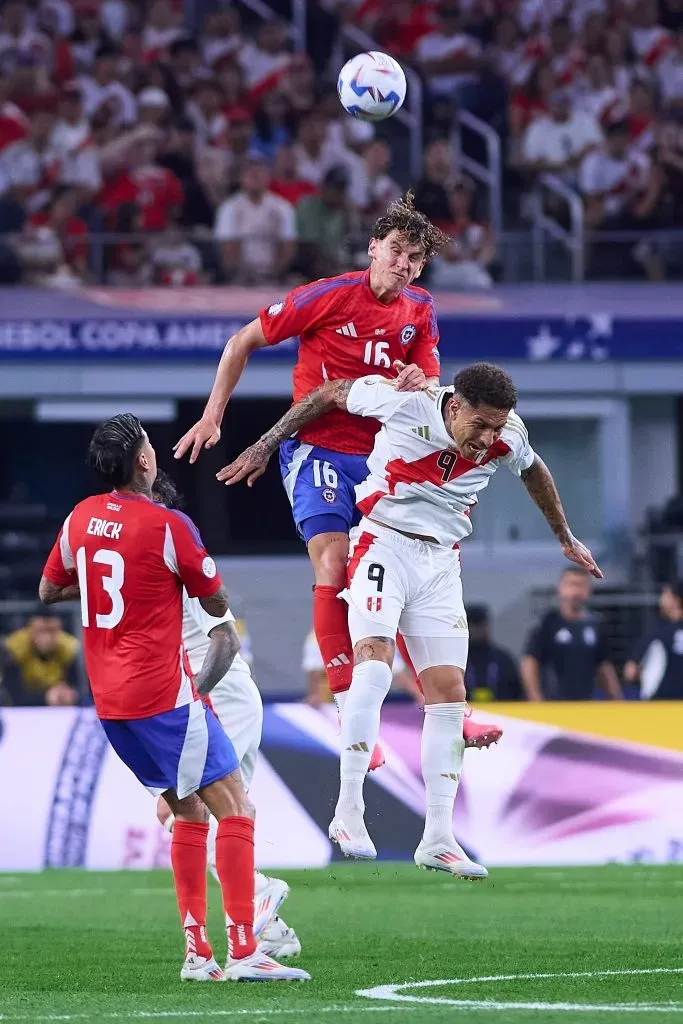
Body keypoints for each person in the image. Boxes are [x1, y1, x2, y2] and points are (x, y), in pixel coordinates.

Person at [220, 362, 602, 877]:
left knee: (449, 695)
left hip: (442, 563)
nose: (488, 438)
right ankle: (348, 810)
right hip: (382, 544)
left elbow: (533, 468)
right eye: (480, 425)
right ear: (455, 405)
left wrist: (563, 534)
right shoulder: (405, 402)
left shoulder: (508, 433)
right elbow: (330, 392)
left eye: (497, 427)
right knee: (374, 666)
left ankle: (438, 838)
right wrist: (266, 445)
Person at [174, 193, 501, 755]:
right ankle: (353, 711)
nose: (403, 264)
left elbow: (429, 379)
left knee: (406, 577)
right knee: (334, 563)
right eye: (395, 250)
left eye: (414, 257)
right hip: (317, 449)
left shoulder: (420, 309)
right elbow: (241, 341)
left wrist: (418, 379)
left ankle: (449, 705)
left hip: (382, 463)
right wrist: (212, 415)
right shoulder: (327, 297)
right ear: (374, 249)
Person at [38, 413, 308, 983]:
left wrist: (116, 582)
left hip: (110, 706)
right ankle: (244, 951)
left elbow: (48, 589)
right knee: (237, 808)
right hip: (163, 696)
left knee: (187, 813)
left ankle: (197, 954)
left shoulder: (79, 518)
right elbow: (218, 612)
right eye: (151, 446)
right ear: (143, 460)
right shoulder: (169, 526)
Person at [152, 471, 301, 960]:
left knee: (193, 810)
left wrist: (193, 696)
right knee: (197, 812)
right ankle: (268, 927)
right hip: (191, 695)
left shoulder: (171, 542)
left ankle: (257, 895)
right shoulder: (147, 550)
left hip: (216, 692)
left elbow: (224, 637)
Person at [521, 568, 623, 702]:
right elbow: (529, 663)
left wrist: (616, 698)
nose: (576, 591)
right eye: (571, 584)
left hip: (583, 705)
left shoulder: (595, 626)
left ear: (588, 590)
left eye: (581, 585)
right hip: (553, 704)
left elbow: (603, 667)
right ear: (561, 588)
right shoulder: (549, 624)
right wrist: (536, 699)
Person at [0, 611, 79, 707]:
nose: (46, 637)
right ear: (30, 630)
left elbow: (75, 685)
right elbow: (11, 690)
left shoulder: (69, 647)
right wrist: (44, 697)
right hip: (22, 700)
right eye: (40, 631)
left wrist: (69, 693)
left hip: (56, 700)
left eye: (51, 631)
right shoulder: (16, 646)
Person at [623, 580, 683, 700]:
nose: (661, 599)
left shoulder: (657, 634)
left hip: (660, 705)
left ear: (676, 599)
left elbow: (630, 672)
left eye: (665, 594)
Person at [464, 606, 523, 702]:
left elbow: (517, 694)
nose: (476, 630)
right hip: (466, 713)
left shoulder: (503, 660)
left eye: (480, 624)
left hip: (501, 713)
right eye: (471, 625)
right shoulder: (457, 661)